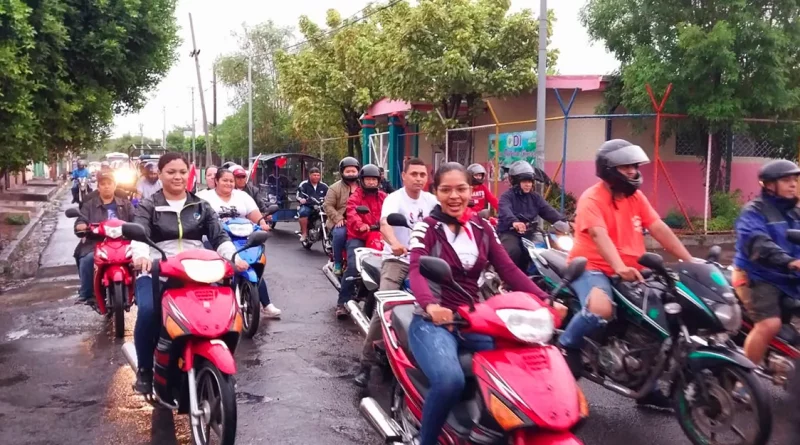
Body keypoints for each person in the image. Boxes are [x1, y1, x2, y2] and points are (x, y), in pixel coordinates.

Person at [406, 162, 552, 445]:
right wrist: (430, 306)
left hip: (475, 318)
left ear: (471, 191)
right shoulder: (426, 228)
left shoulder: (483, 227)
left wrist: (545, 299)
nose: (454, 196)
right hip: (432, 322)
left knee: (520, 368)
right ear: (435, 192)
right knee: (450, 381)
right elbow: (416, 270)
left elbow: (509, 270)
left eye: (461, 189)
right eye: (446, 189)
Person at [557, 139, 693, 407]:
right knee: (601, 308)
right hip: (593, 268)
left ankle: (647, 385)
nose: (633, 171)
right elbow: (599, 234)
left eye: (634, 166)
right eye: (626, 167)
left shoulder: (636, 197)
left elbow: (658, 227)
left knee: (660, 319)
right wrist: (618, 266)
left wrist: (690, 260)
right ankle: (567, 344)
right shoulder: (592, 198)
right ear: (609, 170)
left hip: (635, 270)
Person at [130, 152, 249, 394]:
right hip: (156, 271)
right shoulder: (148, 205)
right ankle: (144, 370)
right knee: (149, 312)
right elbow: (139, 234)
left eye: (182, 172)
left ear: (189, 174)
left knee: (224, 315)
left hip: (196, 272)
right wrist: (141, 256)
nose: (177, 177)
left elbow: (219, 236)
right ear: (161, 174)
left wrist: (233, 257)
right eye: (171, 172)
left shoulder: (201, 206)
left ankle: (215, 363)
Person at [354, 158, 438, 387]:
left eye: (423, 175)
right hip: (397, 259)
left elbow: (444, 221)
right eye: (415, 174)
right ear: (404, 176)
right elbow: (385, 224)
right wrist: (395, 243)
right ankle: (365, 364)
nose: (419, 178)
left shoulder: (431, 200)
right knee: (385, 310)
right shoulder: (394, 199)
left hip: (425, 261)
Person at [733, 159, 800, 370]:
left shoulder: (795, 213)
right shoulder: (754, 211)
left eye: (795, 180)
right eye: (786, 180)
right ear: (769, 185)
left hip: (789, 275)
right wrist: (789, 261)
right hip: (758, 276)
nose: (793, 184)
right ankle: (744, 380)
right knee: (769, 324)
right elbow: (757, 242)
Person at [197, 169, 281, 318]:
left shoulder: (242, 196)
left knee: (252, 264)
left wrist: (262, 223)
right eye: (225, 180)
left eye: (231, 181)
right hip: (217, 238)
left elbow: (254, 213)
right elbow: (195, 216)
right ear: (216, 181)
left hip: (242, 237)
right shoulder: (204, 197)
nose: (228, 183)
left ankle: (266, 304)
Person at [72, 171, 134, 305]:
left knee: (140, 259)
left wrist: (138, 227)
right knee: (87, 259)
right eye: (103, 184)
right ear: (98, 186)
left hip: (122, 242)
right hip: (96, 242)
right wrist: (81, 225)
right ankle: (87, 293)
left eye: (109, 183)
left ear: (114, 185)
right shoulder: (89, 204)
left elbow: (136, 219)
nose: (106, 186)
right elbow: (80, 220)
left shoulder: (125, 204)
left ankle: (139, 291)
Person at [336, 164, 387, 318]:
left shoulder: (384, 197)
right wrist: (361, 225)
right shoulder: (355, 197)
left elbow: (392, 212)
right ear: (362, 180)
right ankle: (342, 303)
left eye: (374, 179)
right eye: (368, 179)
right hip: (358, 236)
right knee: (353, 267)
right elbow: (352, 213)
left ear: (378, 181)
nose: (371, 182)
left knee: (389, 263)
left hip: (378, 235)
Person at [497, 160, 567, 272]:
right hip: (510, 232)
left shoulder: (535, 197)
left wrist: (565, 222)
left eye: (530, 181)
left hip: (530, 233)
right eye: (524, 181)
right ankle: (505, 280)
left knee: (545, 250)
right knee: (513, 251)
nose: (528, 184)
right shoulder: (507, 197)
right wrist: (514, 222)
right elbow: (505, 210)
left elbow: (548, 211)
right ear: (516, 182)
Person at [323, 157, 361, 276]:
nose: (351, 174)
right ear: (342, 172)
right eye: (348, 171)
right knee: (340, 234)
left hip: (360, 220)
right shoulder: (334, 188)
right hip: (341, 221)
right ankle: (338, 262)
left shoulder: (363, 186)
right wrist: (338, 218)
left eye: (353, 171)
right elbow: (327, 205)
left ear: (358, 171)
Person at [296, 167, 329, 242]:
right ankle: (304, 233)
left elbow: (330, 194)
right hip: (308, 205)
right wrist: (301, 199)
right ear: (310, 175)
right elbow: (298, 195)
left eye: (318, 175)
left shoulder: (324, 186)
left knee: (331, 213)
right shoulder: (304, 184)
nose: (316, 177)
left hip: (320, 205)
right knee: (303, 212)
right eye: (314, 175)